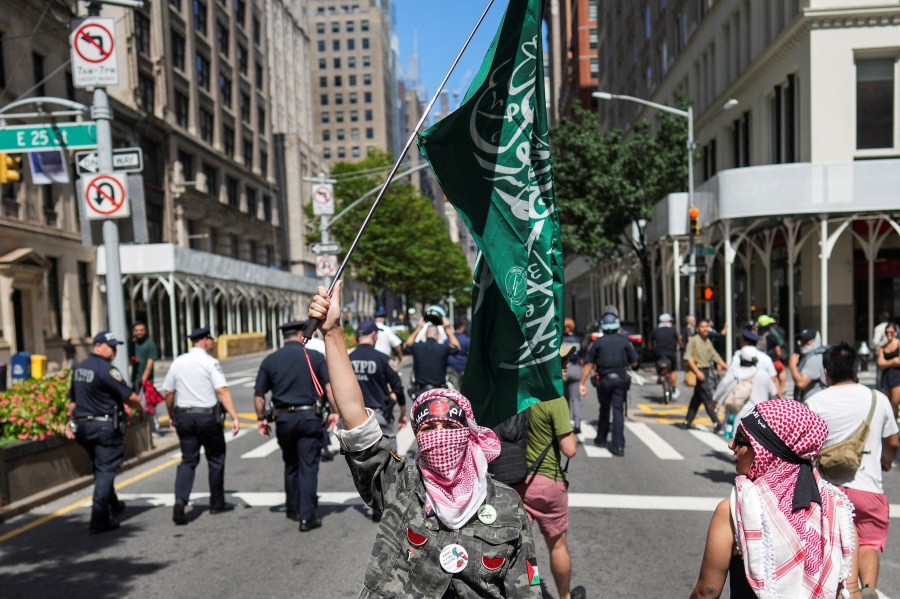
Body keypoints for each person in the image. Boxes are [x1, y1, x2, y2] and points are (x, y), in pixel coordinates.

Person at [308, 282, 541, 597]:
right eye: (429, 428)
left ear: (469, 433)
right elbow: (357, 422)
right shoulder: (401, 483)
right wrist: (333, 332)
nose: (440, 435)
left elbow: (525, 590)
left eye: (449, 424)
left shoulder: (506, 503)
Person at [690, 399, 859, 599]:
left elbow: (706, 593)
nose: (731, 445)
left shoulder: (736, 510)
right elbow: (851, 593)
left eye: (741, 438)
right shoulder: (836, 513)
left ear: (767, 451)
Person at [807, 343, 899, 598]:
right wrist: (887, 462)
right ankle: (867, 589)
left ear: (826, 372)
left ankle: (841, 591)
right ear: (858, 368)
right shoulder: (877, 399)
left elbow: (805, 448)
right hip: (868, 489)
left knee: (834, 546)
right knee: (869, 544)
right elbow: (893, 441)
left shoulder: (814, 402)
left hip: (828, 491)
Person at [254, 320, 339, 531]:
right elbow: (329, 389)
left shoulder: (271, 360)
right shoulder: (314, 357)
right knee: (308, 466)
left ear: (284, 336)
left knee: (291, 464)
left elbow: (259, 395)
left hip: (283, 419)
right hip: (309, 417)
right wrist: (336, 412)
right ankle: (306, 515)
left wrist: (261, 419)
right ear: (302, 334)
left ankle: (292, 507)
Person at [516, 346, 583, 599]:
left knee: (521, 549)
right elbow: (569, 450)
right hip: (547, 482)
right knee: (557, 546)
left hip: (515, 482)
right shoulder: (554, 398)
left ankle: (527, 592)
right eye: (561, 361)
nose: (566, 364)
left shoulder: (517, 394)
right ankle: (564, 596)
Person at [65, 332, 144, 533]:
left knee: (101, 467)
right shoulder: (107, 370)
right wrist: (141, 410)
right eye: (111, 347)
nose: (115, 351)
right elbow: (130, 397)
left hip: (83, 427)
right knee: (106, 469)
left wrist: (68, 422)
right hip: (105, 428)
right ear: (98, 346)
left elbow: (72, 402)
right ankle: (99, 517)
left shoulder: (80, 368)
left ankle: (114, 504)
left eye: (116, 347)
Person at [162, 326, 240, 525]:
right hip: (207, 417)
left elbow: (168, 393)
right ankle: (216, 503)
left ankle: (181, 499)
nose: (212, 343)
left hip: (184, 417)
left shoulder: (178, 362)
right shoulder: (210, 362)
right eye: (211, 339)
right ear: (205, 341)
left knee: (188, 460)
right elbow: (222, 391)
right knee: (216, 458)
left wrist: (172, 415)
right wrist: (234, 416)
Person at [579, 312, 639, 455]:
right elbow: (634, 361)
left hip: (604, 381)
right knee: (618, 411)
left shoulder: (597, 343)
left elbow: (588, 364)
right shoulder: (625, 341)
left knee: (604, 409)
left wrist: (582, 383)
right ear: (618, 327)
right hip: (620, 380)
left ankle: (601, 438)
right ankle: (618, 446)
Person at [350, 319, 407, 439]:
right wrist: (403, 411)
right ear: (373, 334)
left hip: (354, 416)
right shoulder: (383, 359)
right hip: (378, 415)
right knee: (389, 452)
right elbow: (398, 387)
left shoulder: (348, 359)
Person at [713, 346, 778, 428]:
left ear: (742, 358)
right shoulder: (763, 374)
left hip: (739, 416)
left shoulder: (736, 373)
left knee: (737, 439)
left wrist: (714, 402)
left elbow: (722, 386)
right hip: (760, 416)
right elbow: (774, 394)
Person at [681, 318, 727, 430]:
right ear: (697, 329)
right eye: (702, 327)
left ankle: (687, 421)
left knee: (697, 398)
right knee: (707, 398)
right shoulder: (694, 340)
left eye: (707, 326)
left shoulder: (707, 341)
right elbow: (688, 358)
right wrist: (697, 372)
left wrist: (727, 367)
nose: (705, 329)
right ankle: (716, 422)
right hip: (699, 371)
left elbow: (715, 356)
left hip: (705, 371)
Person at [404, 317, 460, 399]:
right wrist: (447, 329)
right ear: (438, 335)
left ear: (425, 334)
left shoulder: (416, 347)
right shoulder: (443, 348)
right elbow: (457, 348)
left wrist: (418, 328)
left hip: (420, 393)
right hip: (438, 393)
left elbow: (406, 346)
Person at [130, 321, 159, 432]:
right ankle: (142, 426)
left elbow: (150, 362)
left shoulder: (150, 344)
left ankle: (154, 428)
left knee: (150, 403)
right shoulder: (132, 344)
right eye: (137, 330)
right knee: (137, 403)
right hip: (135, 378)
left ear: (145, 331)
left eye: (141, 330)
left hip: (146, 380)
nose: (139, 332)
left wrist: (144, 378)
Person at [789, 328, 827, 403]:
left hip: (815, 406)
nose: (803, 344)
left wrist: (792, 365)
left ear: (816, 340)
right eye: (802, 341)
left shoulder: (814, 358)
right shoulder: (811, 356)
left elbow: (801, 383)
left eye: (807, 341)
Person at [649, 313, 682, 400]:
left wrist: (651, 350)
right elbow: (679, 340)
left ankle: (659, 375)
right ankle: (674, 389)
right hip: (670, 354)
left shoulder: (655, 330)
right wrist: (682, 347)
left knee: (657, 363)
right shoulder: (672, 330)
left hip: (659, 354)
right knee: (673, 371)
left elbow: (650, 342)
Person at [561, 318, 584, 433]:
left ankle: (565, 422)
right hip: (575, 369)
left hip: (564, 368)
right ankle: (577, 422)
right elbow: (582, 357)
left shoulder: (560, 339)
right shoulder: (577, 340)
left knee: (564, 398)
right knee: (576, 399)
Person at [758, 314, 788, 395]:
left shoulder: (756, 335)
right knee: (781, 370)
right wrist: (778, 357)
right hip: (772, 360)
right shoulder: (771, 336)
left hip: (759, 361)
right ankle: (780, 392)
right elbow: (778, 352)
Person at [876, 322, 900, 417]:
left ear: (895, 332)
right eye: (887, 332)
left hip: (897, 376)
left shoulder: (898, 344)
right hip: (886, 376)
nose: (889, 334)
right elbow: (880, 363)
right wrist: (894, 360)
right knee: (887, 404)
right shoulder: (883, 347)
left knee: (895, 402)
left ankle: (894, 424)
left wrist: (887, 363)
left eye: (891, 332)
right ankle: (891, 424)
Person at [446, 319, 470, 391]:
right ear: (462, 327)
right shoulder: (466, 339)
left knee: (455, 390)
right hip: (464, 366)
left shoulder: (448, 339)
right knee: (465, 389)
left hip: (451, 366)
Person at [872, 311, 891, 389]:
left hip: (882, 352)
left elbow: (875, 341)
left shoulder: (879, 328)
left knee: (880, 373)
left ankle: (879, 389)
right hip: (891, 352)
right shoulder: (893, 326)